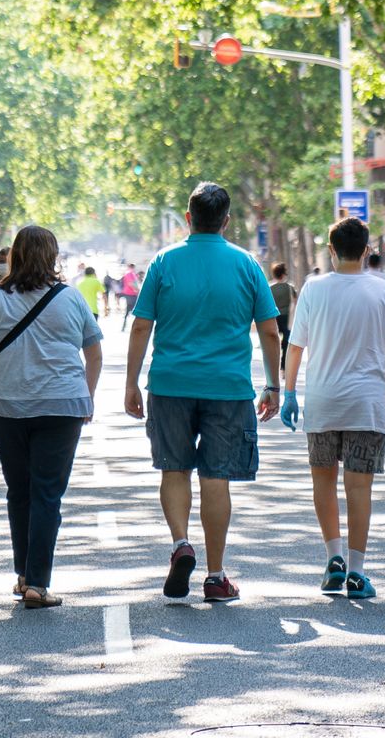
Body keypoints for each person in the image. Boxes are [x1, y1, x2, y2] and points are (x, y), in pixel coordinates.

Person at [124, 180, 281, 604]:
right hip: (228, 390)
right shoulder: (247, 265)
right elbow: (269, 330)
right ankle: (216, 576)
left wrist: (131, 382)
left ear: (189, 218)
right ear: (226, 221)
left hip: (171, 384)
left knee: (174, 469)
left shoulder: (163, 262)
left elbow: (141, 325)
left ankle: (180, 545)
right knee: (216, 478)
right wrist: (273, 384)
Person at [0, 226, 103, 607]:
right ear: (53, 257)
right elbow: (95, 352)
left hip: (8, 406)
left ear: (16, 255)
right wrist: (87, 397)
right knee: (47, 495)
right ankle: (36, 582)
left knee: (19, 492)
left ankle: (24, 576)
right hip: (62, 407)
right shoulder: (71, 298)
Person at [281, 214, 385, 601]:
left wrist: (288, 392)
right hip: (367, 404)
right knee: (359, 487)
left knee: (323, 482)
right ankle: (356, 571)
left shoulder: (313, 288)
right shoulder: (382, 290)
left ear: (332, 251)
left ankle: (333, 559)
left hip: (322, 401)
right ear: (367, 251)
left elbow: (295, 347)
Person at [269, 263, 297, 372]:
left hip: (273, 318)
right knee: (286, 342)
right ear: (284, 274)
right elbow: (295, 302)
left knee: (273, 342)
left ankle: (273, 367)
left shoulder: (269, 287)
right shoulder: (290, 287)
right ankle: (283, 367)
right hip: (286, 318)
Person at [120, 263, 140, 329]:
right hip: (130, 294)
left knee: (129, 310)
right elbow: (130, 283)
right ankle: (125, 325)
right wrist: (138, 290)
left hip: (131, 294)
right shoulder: (130, 273)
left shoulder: (131, 273)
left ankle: (124, 325)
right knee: (132, 309)